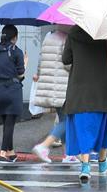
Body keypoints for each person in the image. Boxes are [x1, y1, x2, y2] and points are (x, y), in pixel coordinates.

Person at [62, 25, 107, 183]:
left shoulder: (73, 32)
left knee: (83, 127)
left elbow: (66, 59)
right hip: (101, 89)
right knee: (102, 127)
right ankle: (102, 163)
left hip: (79, 89)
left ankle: (85, 166)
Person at [31, 27, 79, 164]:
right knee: (67, 121)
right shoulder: (67, 39)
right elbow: (68, 64)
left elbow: (41, 60)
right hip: (62, 86)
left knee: (65, 118)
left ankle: (69, 154)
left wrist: (39, 74)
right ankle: (44, 146)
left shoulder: (48, 37)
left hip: (50, 86)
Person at [0, 25, 25, 163]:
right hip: (12, 90)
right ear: (15, 37)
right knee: (10, 123)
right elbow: (21, 74)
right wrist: (24, 64)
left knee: (6, 122)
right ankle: (2, 153)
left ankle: (11, 152)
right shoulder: (16, 51)